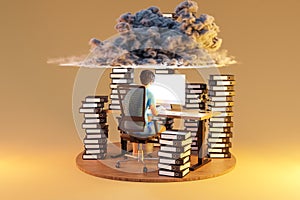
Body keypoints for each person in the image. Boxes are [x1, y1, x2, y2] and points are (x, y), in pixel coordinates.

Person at [131, 70, 166, 155]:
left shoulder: (132, 91)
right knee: (163, 128)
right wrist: (160, 110)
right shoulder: (149, 93)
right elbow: (155, 113)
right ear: (151, 81)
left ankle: (135, 152)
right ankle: (164, 154)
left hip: (129, 126)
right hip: (142, 128)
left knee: (138, 124)